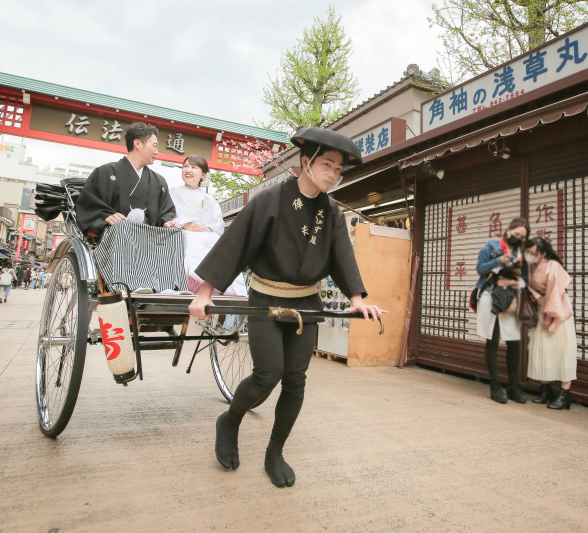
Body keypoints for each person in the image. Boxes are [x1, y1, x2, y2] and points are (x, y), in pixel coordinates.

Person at [189, 127, 387, 489]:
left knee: (296, 380)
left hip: (306, 303)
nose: (333, 173)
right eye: (328, 164)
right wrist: (205, 293)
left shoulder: (331, 212)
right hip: (265, 297)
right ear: (306, 162)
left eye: (339, 169)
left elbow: (344, 258)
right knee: (269, 373)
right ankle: (230, 420)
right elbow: (234, 245)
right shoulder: (268, 201)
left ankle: (275, 452)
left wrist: (357, 301)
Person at [75, 122, 176, 236]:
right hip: (114, 238)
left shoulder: (159, 182)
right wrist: (106, 217)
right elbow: (90, 206)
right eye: (154, 146)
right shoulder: (105, 172)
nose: (157, 152)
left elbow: (166, 212)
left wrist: (167, 223)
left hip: (149, 241)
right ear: (137, 143)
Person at [166, 155, 246, 296]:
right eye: (185, 166)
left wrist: (208, 228)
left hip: (205, 235)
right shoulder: (173, 192)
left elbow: (218, 223)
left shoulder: (208, 199)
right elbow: (168, 215)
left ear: (203, 174)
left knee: (218, 244)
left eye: (193, 167)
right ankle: (189, 283)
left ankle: (222, 286)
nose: (188, 170)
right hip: (183, 234)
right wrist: (183, 223)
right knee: (193, 242)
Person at [475, 217, 530, 404]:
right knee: (493, 340)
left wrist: (511, 282)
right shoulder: (491, 245)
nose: (518, 238)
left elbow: (527, 280)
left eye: (522, 237)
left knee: (514, 342)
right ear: (508, 231)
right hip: (490, 295)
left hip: (510, 300)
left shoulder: (522, 254)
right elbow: (480, 268)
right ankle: (495, 385)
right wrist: (499, 260)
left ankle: (513, 385)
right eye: (516, 234)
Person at [523, 237, 578, 410]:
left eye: (533, 253)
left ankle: (564, 394)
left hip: (558, 310)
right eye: (528, 252)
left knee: (562, 351)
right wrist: (533, 292)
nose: (530, 255)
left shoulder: (553, 266)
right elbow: (523, 280)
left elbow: (556, 293)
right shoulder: (531, 267)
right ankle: (545, 390)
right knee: (543, 350)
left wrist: (550, 317)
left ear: (543, 253)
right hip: (543, 308)